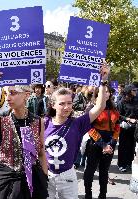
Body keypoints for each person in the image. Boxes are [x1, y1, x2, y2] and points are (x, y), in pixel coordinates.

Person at [0, 58, 49, 199]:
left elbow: (41, 152)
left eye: (13, 92)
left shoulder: (38, 121)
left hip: (31, 182)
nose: (7, 98)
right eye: (6, 93)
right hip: (4, 184)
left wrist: (44, 178)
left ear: (26, 95)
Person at [43, 64, 109, 199]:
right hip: (46, 175)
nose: (67, 107)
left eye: (70, 103)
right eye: (62, 103)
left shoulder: (78, 123)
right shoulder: (43, 123)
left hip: (68, 176)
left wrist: (103, 80)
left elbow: (100, 106)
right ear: (53, 105)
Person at [83, 86, 120, 199]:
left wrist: (113, 142)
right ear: (97, 94)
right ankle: (88, 194)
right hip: (94, 143)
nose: (105, 93)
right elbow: (89, 128)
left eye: (107, 91)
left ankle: (102, 195)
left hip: (110, 142)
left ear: (110, 93)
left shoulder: (114, 108)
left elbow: (117, 126)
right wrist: (102, 144)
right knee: (90, 170)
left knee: (104, 171)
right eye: (103, 91)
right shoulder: (92, 108)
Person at [117, 84, 138, 172]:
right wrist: (128, 119)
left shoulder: (136, 101)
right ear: (129, 92)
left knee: (132, 146)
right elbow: (118, 115)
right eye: (134, 90)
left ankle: (129, 163)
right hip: (125, 127)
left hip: (134, 128)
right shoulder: (122, 102)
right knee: (123, 146)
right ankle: (121, 164)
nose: (136, 92)